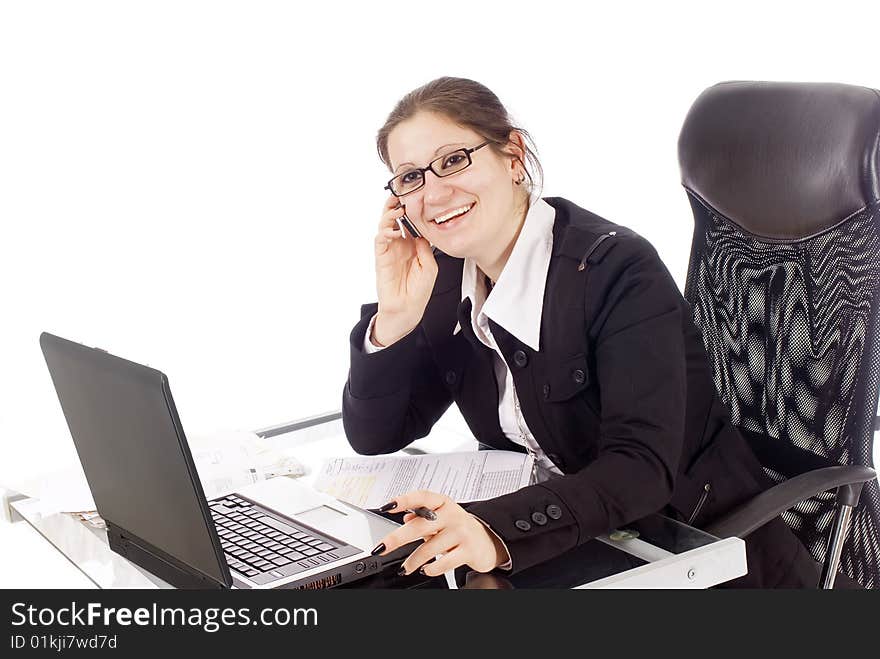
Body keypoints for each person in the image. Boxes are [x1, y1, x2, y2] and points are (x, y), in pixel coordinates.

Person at [341, 76, 820, 587]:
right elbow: (377, 435)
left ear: (512, 155)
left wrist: (491, 528)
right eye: (411, 177)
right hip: (561, 538)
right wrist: (394, 318)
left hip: (682, 547)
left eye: (454, 160)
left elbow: (640, 470)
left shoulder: (617, 269)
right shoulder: (443, 277)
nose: (434, 192)